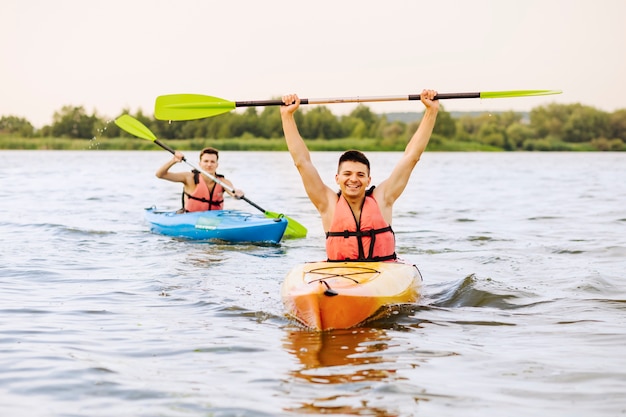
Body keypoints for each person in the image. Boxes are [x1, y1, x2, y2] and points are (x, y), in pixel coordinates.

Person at [280, 89, 439, 262]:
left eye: (360, 175)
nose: (353, 179)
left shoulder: (383, 199)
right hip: (340, 275)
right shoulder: (327, 203)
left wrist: (431, 112)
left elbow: (411, 157)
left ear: (368, 180)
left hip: (382, 272)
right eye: (347, 174)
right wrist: (287, 116)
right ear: (337, 178)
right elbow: (302, 162)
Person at [155, 147, 244, 212]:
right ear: (200, 164)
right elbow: (160, 175)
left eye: (212, 162)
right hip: (190, 219)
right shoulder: (189, 178)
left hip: (214, 220)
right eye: (206, 161)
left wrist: (237, 193)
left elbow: (233, 192)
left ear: (217, 165)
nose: (209, 165)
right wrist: (173, 161)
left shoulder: (223, 182)